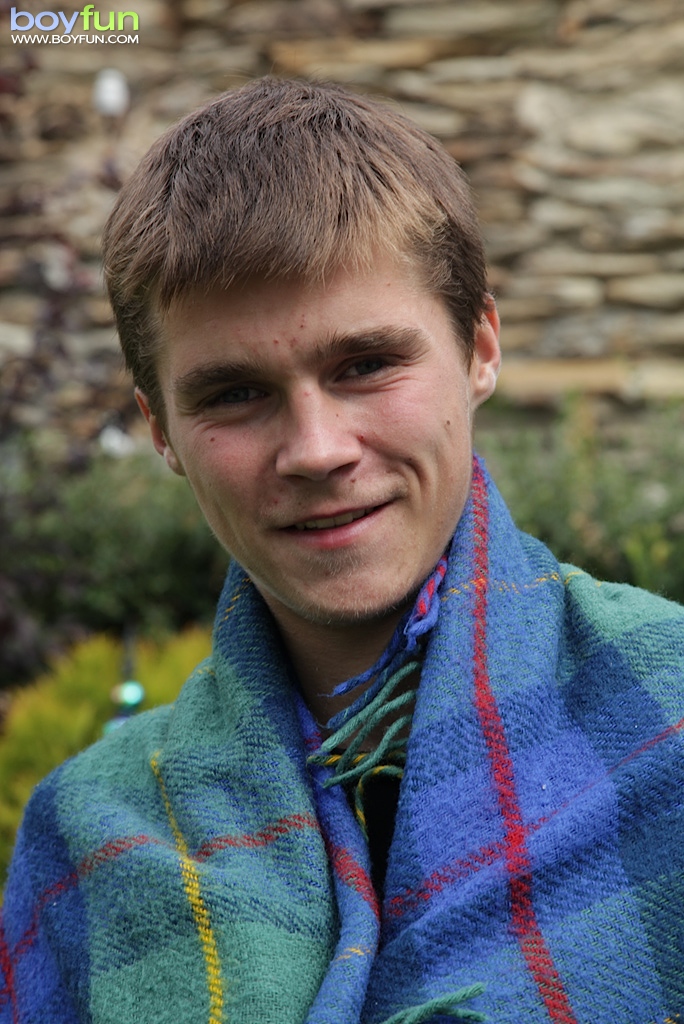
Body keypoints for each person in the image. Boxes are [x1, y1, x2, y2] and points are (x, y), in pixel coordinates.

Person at [1, 77, 683, 1024]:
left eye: (366, 364)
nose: (317, 450)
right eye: (234, 394)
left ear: (481, 347)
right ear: (161, 431)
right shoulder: (88, 839)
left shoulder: (669, 714)